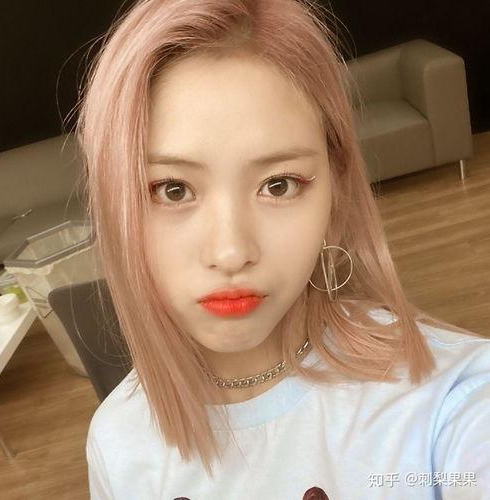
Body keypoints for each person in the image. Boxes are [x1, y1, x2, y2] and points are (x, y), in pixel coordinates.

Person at [76, 0, 490, 498]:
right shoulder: (117, 442)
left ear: (336, 192)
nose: (232, 252)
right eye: (172, 190)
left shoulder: (451, 400)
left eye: (278, 185)